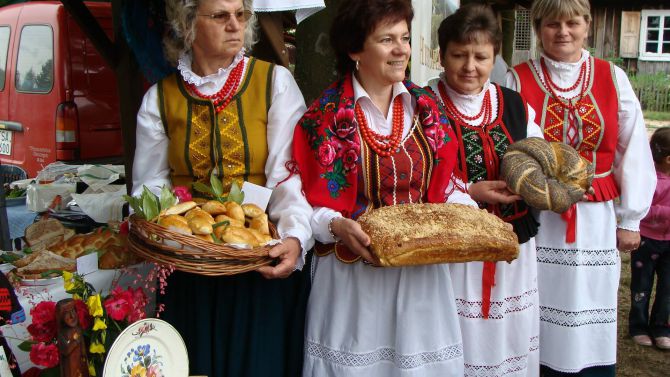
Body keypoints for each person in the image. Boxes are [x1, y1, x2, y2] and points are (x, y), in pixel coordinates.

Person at [131, 0, 314, 376]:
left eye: (241, 15)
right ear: (188, 25)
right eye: (220, 15)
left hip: (260, 269)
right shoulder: (160, 99)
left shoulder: (274, 83)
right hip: (189, 273)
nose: (235, 25)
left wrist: (295, 236)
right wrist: (170, 240)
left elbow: (287, 175)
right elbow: (148, 192)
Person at [292, 0, 473, 375]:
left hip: (421, 276)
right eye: (386, 39)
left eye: (405, 38)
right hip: (353, 280)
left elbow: (448, 184)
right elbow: (304, 202)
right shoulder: (322, 117)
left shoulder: (427, 108)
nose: (401, 49)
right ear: (356, 49)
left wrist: (467, 216)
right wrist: (336, 226)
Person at [506, 0, 656, 375]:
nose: (563, 32)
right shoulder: (517, 78)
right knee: (538, 298)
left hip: (594, 219)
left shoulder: (611, 76)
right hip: (538, 218)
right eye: (552, 24)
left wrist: (631, 218)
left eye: (572, 23)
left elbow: (633, 146)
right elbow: (508, 143)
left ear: (587, 26)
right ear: (539, 28)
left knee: (589, 300)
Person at [427, 3, 541, 376]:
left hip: (511, 245)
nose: (469, 67)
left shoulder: (514, 105)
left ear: (495, 57)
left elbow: (538, 156)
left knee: (507, 336)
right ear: (441, 55)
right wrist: (470, 192)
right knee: (457, 334)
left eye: (481, 56)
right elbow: (417, 171)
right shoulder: (424, 104)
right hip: (454, 251)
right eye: (459, 55)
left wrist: (536, 181)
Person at [628, 126, 670, 350]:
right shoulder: (649, 179)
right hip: (647, 241)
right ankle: (638, 327)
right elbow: (642, 208)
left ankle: (662, 328)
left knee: (667, 288)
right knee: (641, 286)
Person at [56, 299, 88, 377]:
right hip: (70, 365)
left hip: (80, 361)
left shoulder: (78, 328)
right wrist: (75, 342)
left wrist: (84, 353)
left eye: (73, 311)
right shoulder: (63, 333)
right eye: (67, 313)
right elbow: (65, 350)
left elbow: (82, 344)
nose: (72, 316)